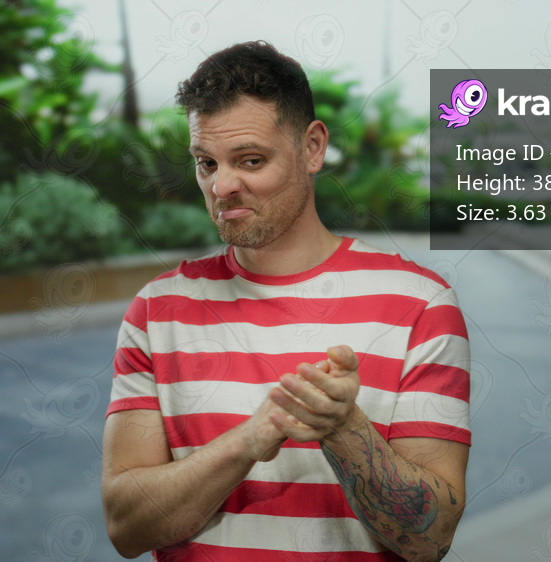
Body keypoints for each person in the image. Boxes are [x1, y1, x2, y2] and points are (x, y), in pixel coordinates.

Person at [101, 40, 471, 562]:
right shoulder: (157, 310)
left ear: (313, 148)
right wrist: (255, 436)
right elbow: (126, 528)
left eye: (250, 160)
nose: (221, 186)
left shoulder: (420, 305)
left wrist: (343, 428)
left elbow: (430, 540)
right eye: (206, 163)